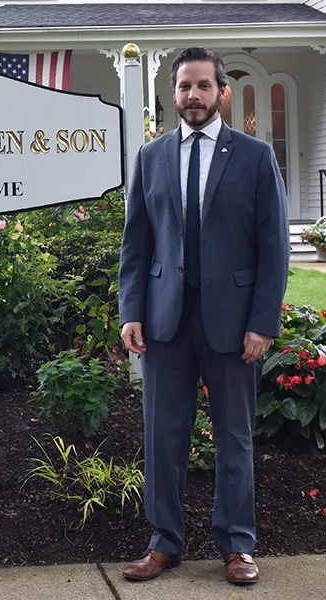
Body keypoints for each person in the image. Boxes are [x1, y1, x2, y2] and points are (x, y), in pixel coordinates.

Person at [118, 46, 290, 585]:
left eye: (203, 86)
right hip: (165, 320)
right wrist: (131, 311)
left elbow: (274, 247)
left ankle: (237, 545)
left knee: (233, 437)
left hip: (233, 322)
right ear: (173, 93)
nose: (193, 95)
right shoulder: (151, 157)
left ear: (222, 92)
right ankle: (163, 542)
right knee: (163, 436)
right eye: (184, 86)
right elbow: (136, 243)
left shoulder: (255, 157)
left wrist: (262, 322)